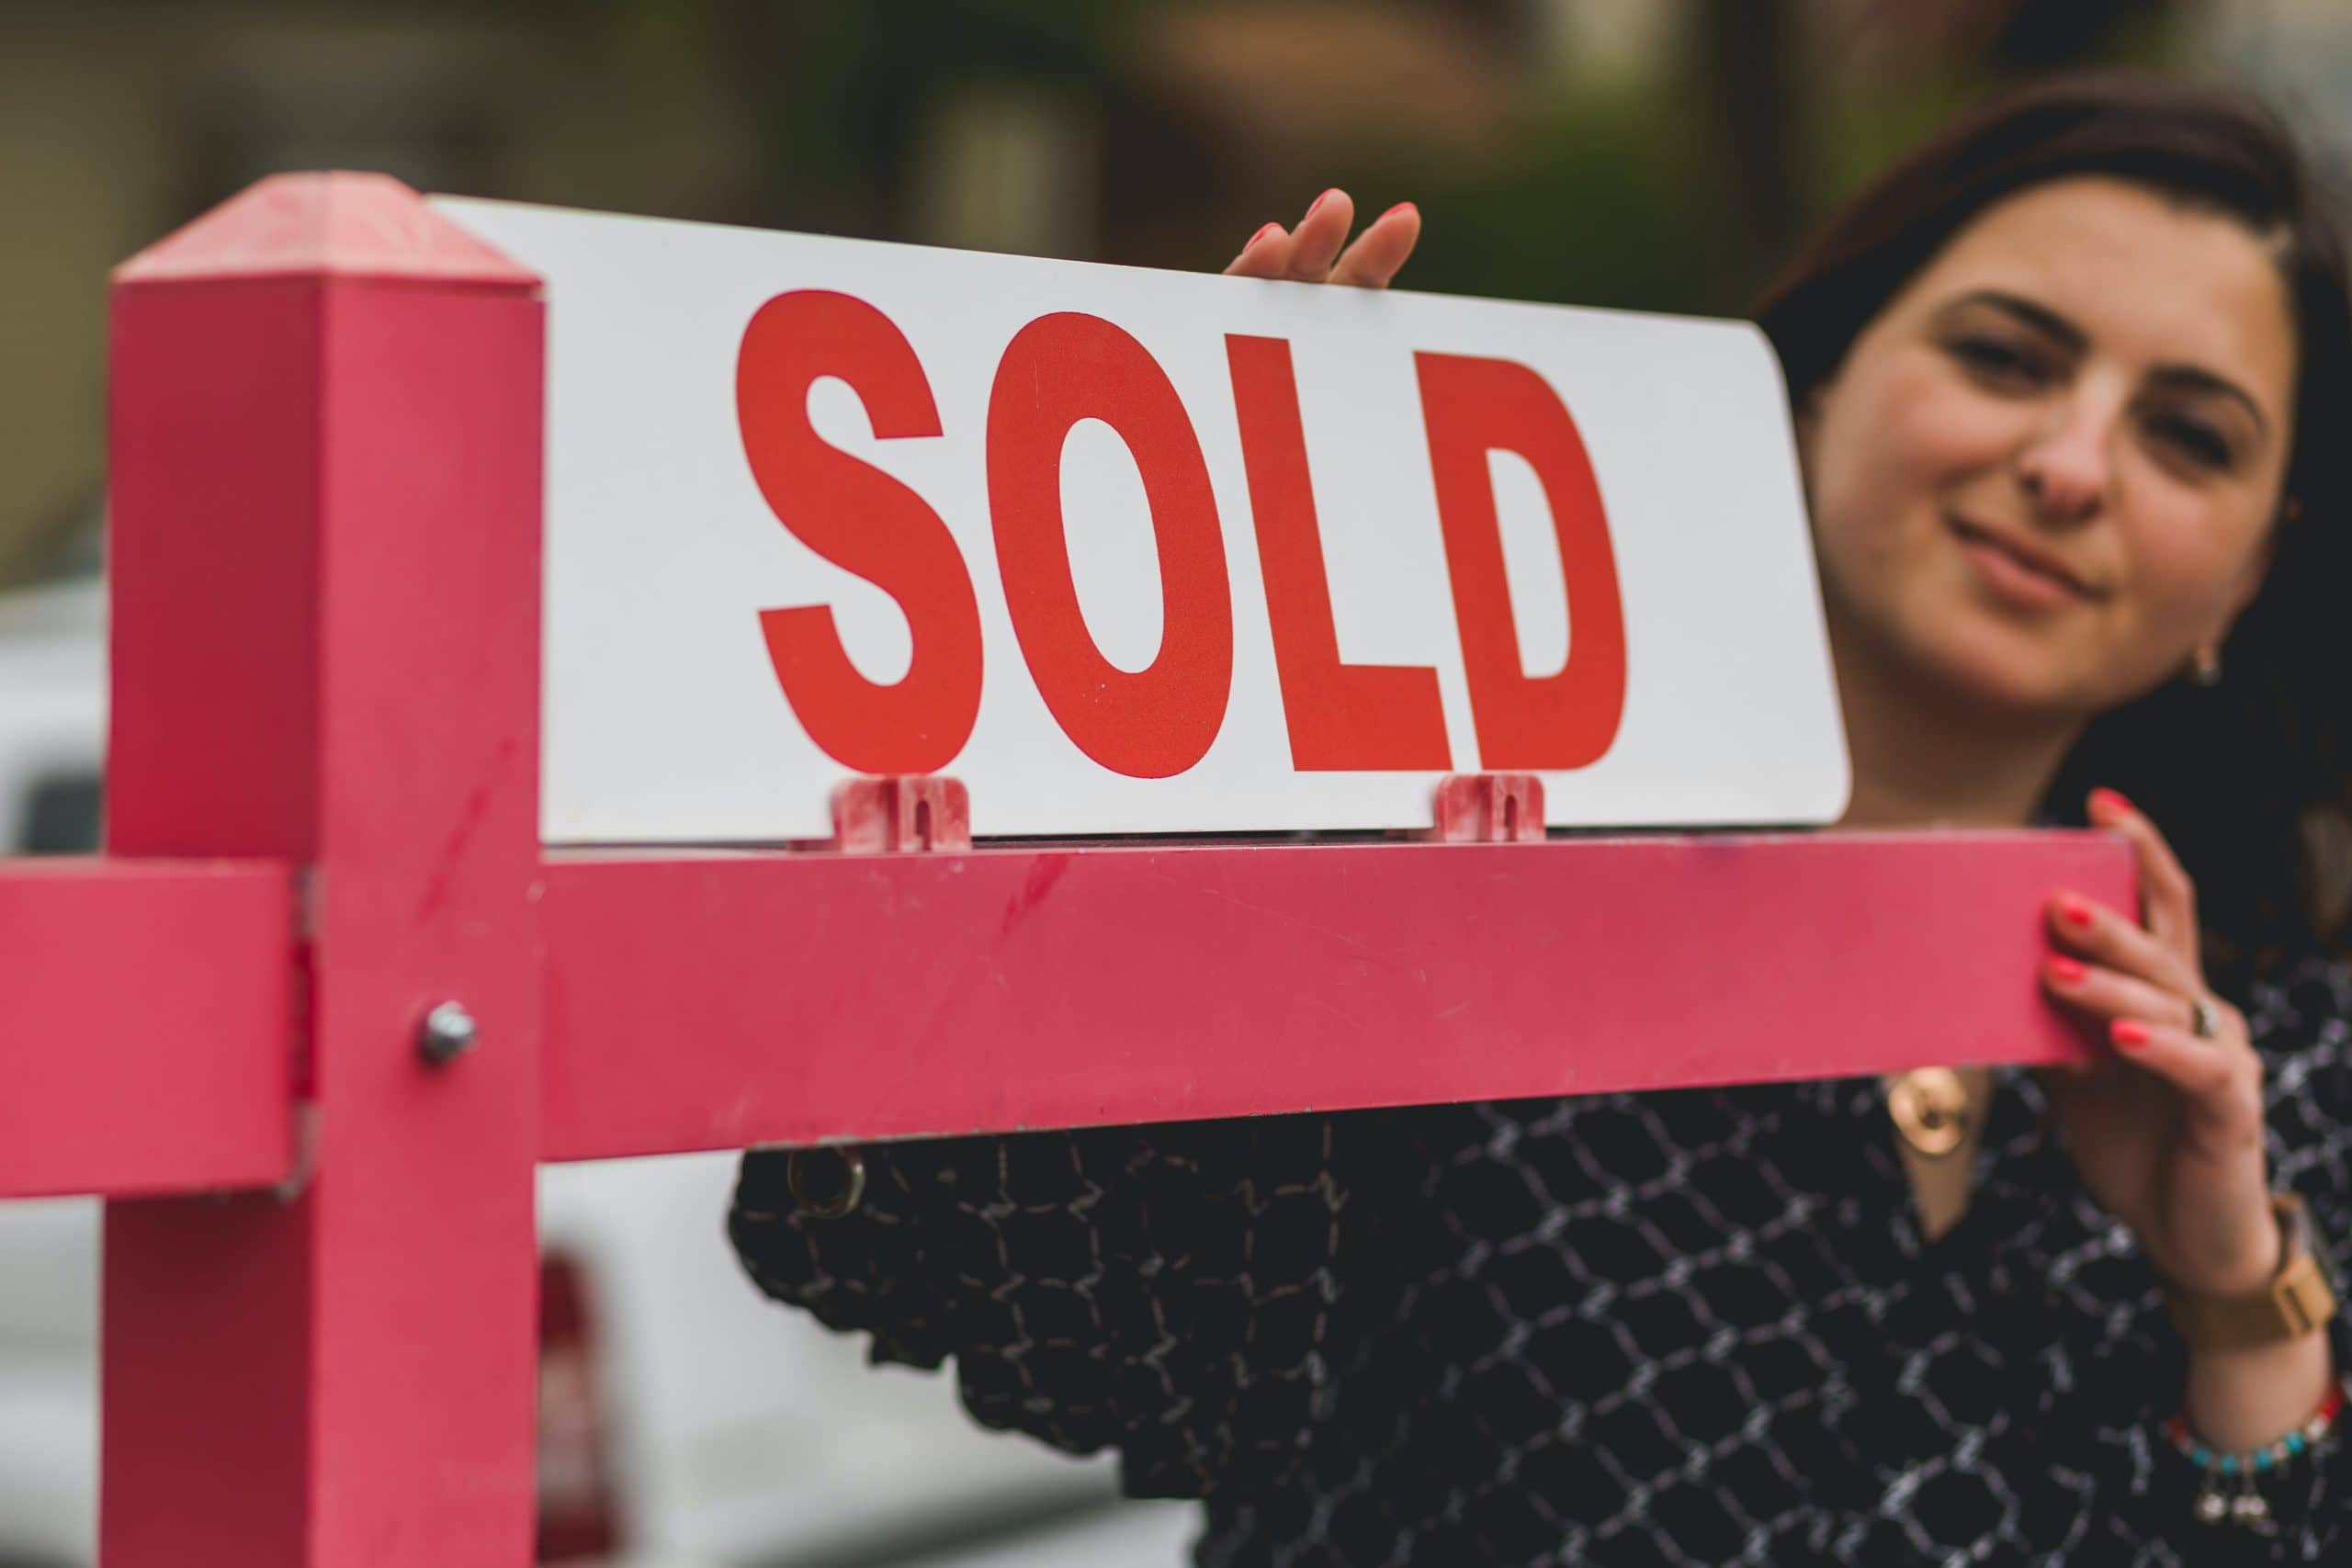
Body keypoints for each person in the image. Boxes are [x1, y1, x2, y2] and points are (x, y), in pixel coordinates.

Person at [729, 72, 2352, 1564]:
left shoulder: (2281, 1055)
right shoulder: (1454, 851)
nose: (2072, 464)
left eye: (2186, 435)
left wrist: (2237, 1300)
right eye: (2008, 357)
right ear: (1816, 376)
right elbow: (1044, 1342)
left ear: (2256, 567)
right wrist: (1158, 697)